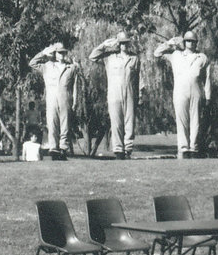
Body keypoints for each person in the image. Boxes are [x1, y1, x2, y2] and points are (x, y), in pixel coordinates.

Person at [153, 30, 211, 159]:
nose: (191, 43)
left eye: (193, 41)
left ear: (196, 43)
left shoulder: (202, 57)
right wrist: (170, 42)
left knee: (195, 121)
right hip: (180, 92)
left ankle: (194, 148)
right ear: (184, 42)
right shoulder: (175, 55)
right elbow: (156, 53)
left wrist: (208, 96)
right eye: (188, 41)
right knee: (182, 121)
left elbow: (207, 78)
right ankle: (183, 148)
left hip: (196, 91)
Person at [89, 31, 140, 159]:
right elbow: (92, 57)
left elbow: (137, 79)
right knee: (116, 122)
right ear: (118, 44)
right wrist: (103, 45)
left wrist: (138, 96)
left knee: (129, 123)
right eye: (121, 43)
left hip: (129, 92)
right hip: (114, 93)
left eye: (126, 43)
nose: (124, 46)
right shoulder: (109, 57)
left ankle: (128, 149)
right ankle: (118, 151)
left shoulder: (134, 58)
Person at [28, 42, 80, 160]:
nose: (62, 55)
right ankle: (54, 150)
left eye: (63, 52)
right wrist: (44, 53)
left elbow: (75, 86)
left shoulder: (71, 68)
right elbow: (32, 63)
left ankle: (63, 150)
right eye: (59, 52)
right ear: (55, 54)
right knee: (52, 124)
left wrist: (75, 101)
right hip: (51, 100)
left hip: (66, 99)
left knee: (65, 125)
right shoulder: (47, 66)